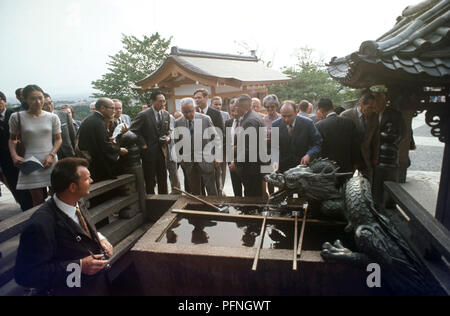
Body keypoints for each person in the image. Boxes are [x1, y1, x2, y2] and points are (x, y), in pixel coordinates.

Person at [15, 158, 113, 296]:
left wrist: (100, 239)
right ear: (72, 187)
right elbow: (25, 275)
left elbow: (82, 229)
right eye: (87, 179)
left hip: (95, 285)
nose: (91, 181)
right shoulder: (40, 225)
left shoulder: (76, 202)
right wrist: (78, 267)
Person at [8, 85, 62, 207]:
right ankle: (42, 223)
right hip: (29, 161)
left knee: (57, 196)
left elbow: (58, 139)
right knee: (37, 200)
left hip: (50, 159)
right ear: (25, 100)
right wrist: (14, 155)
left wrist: (51, 155)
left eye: (40, 98)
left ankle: (58, 223)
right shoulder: (17, 117)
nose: (38, 102)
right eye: (33, 98)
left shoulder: (52, 117)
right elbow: (12, 140)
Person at [175, 98, 218, 196]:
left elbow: (215, 138)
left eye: (190, 111)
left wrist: (216, 157)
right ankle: (198, 208)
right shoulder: (178, 122)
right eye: (185, 112)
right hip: (189, 162)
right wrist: (180, 159)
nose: (188, 114)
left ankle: (215, 207)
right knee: (195, 190)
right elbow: (177, 142)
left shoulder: (205, 119)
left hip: (206, 159)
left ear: (195, 108)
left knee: (211, 188)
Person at [78, 98, 128, 182]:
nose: (114, 111)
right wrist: (119, 150)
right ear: (102, 108)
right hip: (97, 165)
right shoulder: (98, 122)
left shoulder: (92, 119)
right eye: (112, 108)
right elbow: (104, 146)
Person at [130, 91, 171, 194]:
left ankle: (164, 201)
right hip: (148, 151)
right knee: (150, 179)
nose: (162, 104)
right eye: (160, 101)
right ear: (152, 101)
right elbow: (134, 130)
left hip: (162, 151)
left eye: (164, 101)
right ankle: (150, 202)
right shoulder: (144, 114)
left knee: (163, 178)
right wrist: (143, 144)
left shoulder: (166, 114)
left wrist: (168, 138)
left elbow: (168, 131)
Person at [0, 91, 32, 211]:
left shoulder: (14, 115)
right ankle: (24, 206)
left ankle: (32, 205)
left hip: (21, 155)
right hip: (5, 159)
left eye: (0, 100)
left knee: (28, 182)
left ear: (4, 101)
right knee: (14, 184)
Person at [272, 101, 322, 173]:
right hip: (284, 168)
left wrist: (309, 155)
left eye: (289, 116)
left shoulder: (308, 123)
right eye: (283, 116)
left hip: (304, 167)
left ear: (296, 112)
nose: (286, 119)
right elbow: (273, 147)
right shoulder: (275, 125)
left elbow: (317, 143)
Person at [341, 93, 379, 184]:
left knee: (368, 183)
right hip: (350, 157)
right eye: (370, 107)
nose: (372, 110)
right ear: (361, 105)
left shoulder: (374, 117)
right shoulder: (345, 115)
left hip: (366, 156)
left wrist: (375, 157)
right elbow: (342, 140)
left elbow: (376, 139)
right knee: (346, 183)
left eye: (374, 107)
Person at [315, 98, 360, 174]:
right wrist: (356, 164)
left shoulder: (319, 126)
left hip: (327, 170)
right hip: (347, 166)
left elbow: (319, 149)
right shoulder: (349, 122)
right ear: (333, 107)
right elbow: (355, 145)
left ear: (321, 110)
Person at [194, 89, 224, 195]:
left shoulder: (215, 113)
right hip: (197, 155)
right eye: (195, 98)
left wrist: (218, 156)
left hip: (211, 155)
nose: (197, 100)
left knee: (215, 185)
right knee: (199, 184)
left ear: (206, 98)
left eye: (199, 97)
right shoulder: (193, 112)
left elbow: (220, 135)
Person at [234, 94, 265, 197]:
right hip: (256, 165)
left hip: (251, 168)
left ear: (243, 107)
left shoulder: (249, 121)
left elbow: (249, 149)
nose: (235, 108)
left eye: (236, 106)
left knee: (252, 195)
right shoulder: (255, 116)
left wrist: (236, 162)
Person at [43, 93, 77, 159]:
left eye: (50, 103)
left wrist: (76, 153)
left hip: (69, 154)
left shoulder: (64, 115)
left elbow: (73, 136)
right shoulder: (39, 120)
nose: (49, 106)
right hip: (51, 157)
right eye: (45, 105)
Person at [225, 100, 243, 197]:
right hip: (231, 158)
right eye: (232, 111)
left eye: (236, 111)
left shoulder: (246, 122)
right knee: (236, 185)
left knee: (247, 185)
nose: (234, 113)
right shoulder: (228, 122)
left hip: (244, 158)